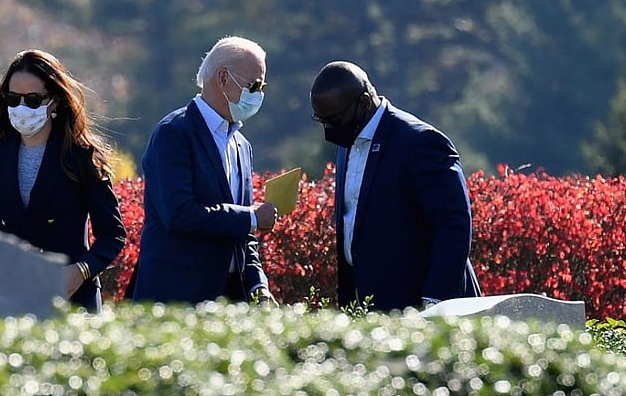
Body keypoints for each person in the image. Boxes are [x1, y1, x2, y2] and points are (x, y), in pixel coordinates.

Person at [310, 61, 481, 311]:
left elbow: (453, 224)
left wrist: (434, 301)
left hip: (424, 305)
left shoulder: (420, 142)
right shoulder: (347, 141)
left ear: (364, 103)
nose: (329, 129)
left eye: (334, 119)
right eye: (321, 120)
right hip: (371, 306)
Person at [0, 49, 126, 312]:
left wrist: (80, 271)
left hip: (73, 298)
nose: (21, 108)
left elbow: (113, 234)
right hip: (10, 296)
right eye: (13, 99)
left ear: (55, 101)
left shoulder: (82, 157)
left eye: (32, 100)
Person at [131, 36, 278, 305]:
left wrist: (258, 284)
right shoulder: (174, 132)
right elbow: (179, 213)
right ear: (223, 78)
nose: (259, 94)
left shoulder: (241, 145)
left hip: (229, 299)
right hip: (176, 298)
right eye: (254, 85)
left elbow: (242, 231)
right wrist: (252, 217)